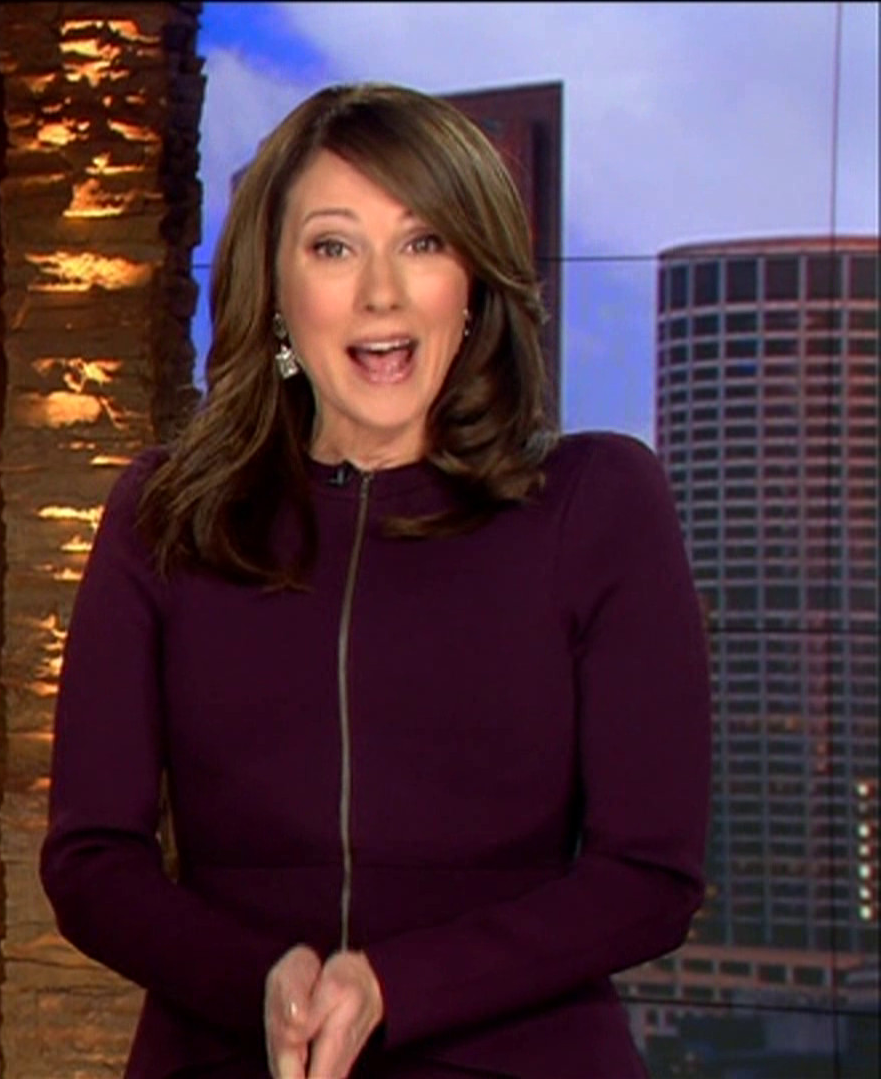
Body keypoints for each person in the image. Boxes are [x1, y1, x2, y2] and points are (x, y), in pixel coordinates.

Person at [39, 82, 711, 1079]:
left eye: (424, 242)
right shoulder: (165, 516)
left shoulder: (598, 503)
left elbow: (649, 875)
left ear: (473, 284)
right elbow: (92, 860)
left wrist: (396, 986)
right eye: (334, 247)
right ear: (275, 288)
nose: (382, 295)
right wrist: (261, 982)